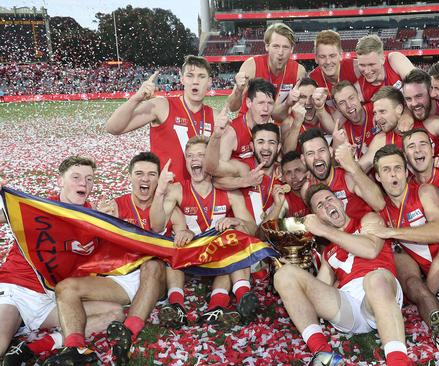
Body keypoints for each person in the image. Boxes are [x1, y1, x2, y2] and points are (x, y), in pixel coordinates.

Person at [43, 153, 192, 366]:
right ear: (129, 177)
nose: (145, 179)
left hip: (153, 278)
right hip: (119, 279)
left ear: (159, 179)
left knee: (152, 264)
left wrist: (184, 234)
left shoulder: (170, 208)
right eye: (139, 173)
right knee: (66, 288)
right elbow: (88, 241)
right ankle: (74, 348)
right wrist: (99, 221)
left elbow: (179, 236)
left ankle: (127, 333)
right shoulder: (113, 206)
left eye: (152, 174)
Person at [0, 157, 124, 364]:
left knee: (115, 313)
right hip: (18, 289)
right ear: (60, 181)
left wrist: (114, 224)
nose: (83, 183)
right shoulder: (38, 207)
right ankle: (13, 327)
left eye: (89, 179)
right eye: (76, 177)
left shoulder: (94, 218)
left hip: (52, 298)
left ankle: (32, 348)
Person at [274, 184, 413, 366]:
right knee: (284, 275)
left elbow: (370, 250)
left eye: (329, 199)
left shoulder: (368, 220)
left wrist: (324, 231)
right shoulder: (328, 253)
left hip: (382, 292)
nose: (327, 205)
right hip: (350, 305)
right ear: (318, 218)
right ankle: (323, 355)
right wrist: (295, 274)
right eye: (320, 205)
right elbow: (315, 294)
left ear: (341, 202)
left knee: (375, 279)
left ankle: (398, 362)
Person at [149, 136, 259, 328]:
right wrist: (159, 192)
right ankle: (176, 305)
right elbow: (157, 226)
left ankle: (229, 303)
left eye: (201, 155)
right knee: (173, 247)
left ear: (210, 159)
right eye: (190, 156)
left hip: (218, 257)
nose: (194, 160)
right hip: (190, 255)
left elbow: (252, 228)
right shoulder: (177, 190)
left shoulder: (229, 190)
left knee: (234, 247)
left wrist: (236, 221)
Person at [363, 145, 439, 353]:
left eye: (398, 168)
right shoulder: (383, 209)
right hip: (424, 273)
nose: (393, 174)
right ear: (378, 177)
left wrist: (393, 232)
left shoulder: (424, 191)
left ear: (407, 172)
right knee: (412, 283)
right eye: (386, 170)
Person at [106, 55, 217, 181]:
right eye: (190, 76)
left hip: (200, 195)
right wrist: (136, 98)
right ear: (182, 79)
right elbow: (113, 128)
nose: (195, 81)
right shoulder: (162, 106)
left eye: (201, 76)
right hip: (165, 194)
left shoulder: (216, 116)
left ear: (209, 81)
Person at [298, 128, 384, 219]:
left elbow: (380, 204)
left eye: (322, 150)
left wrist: (352, 166)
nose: (317, 157)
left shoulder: (348, 177)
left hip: (364, 230)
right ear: (303, 160)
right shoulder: (307, 189)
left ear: (330, 152)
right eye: (310, 154)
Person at [227, 23, 306, 118]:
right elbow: (232, 107)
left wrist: (288, 104)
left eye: (285, 47)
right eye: (276, 46)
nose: (280, 52)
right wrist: (238, 91)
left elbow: (298, 112)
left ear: (292, 49)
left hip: (279, 125)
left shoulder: (299, 71)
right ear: (267, 46)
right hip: (250, 125)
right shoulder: (252, 66)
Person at [205, 78, 277, 181]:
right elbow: (216, 176)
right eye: (260, 103)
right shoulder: (232, 132)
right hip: (239, 190)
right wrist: (245, 181)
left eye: (270, 103)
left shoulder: (272, 129)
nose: (265, 108)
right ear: (248, 103)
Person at [308, 30, 359, 116]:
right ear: (316, 58)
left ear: (341, 54)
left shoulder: (357, 69)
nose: (328, 61)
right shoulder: (312, 79)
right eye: (322, 56)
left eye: (332, 56)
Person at [354, 34, 415, 103]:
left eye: (371, 64)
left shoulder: (394, 60)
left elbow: (419, 85)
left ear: (382, 59)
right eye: (362, 65)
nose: (367, 71)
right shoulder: (360, 90)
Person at [280, 77, 334, 153]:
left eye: (312, 97)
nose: (308, 102)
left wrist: (321, 110)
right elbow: (287, 152)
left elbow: (336, 132)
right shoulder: (289, 122)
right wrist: (297, 123)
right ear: (295, 99)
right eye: (303, 97)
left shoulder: (329, 112)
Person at [330, 81, 375, 159]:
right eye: (342, 103)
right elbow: (335, 166)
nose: (349, 105)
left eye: (351, 98)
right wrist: (336, 147)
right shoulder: (342, 133)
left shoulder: (375, 110)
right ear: (338, 108)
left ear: (359, 97)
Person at [265, 150, 310, 221]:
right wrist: (277, 206)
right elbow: (263, 231)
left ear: (308, 170)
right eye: (288, 173)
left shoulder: (318, 187)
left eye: (298, 170)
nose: (293, 176)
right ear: (283, 178)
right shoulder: (284, 199)